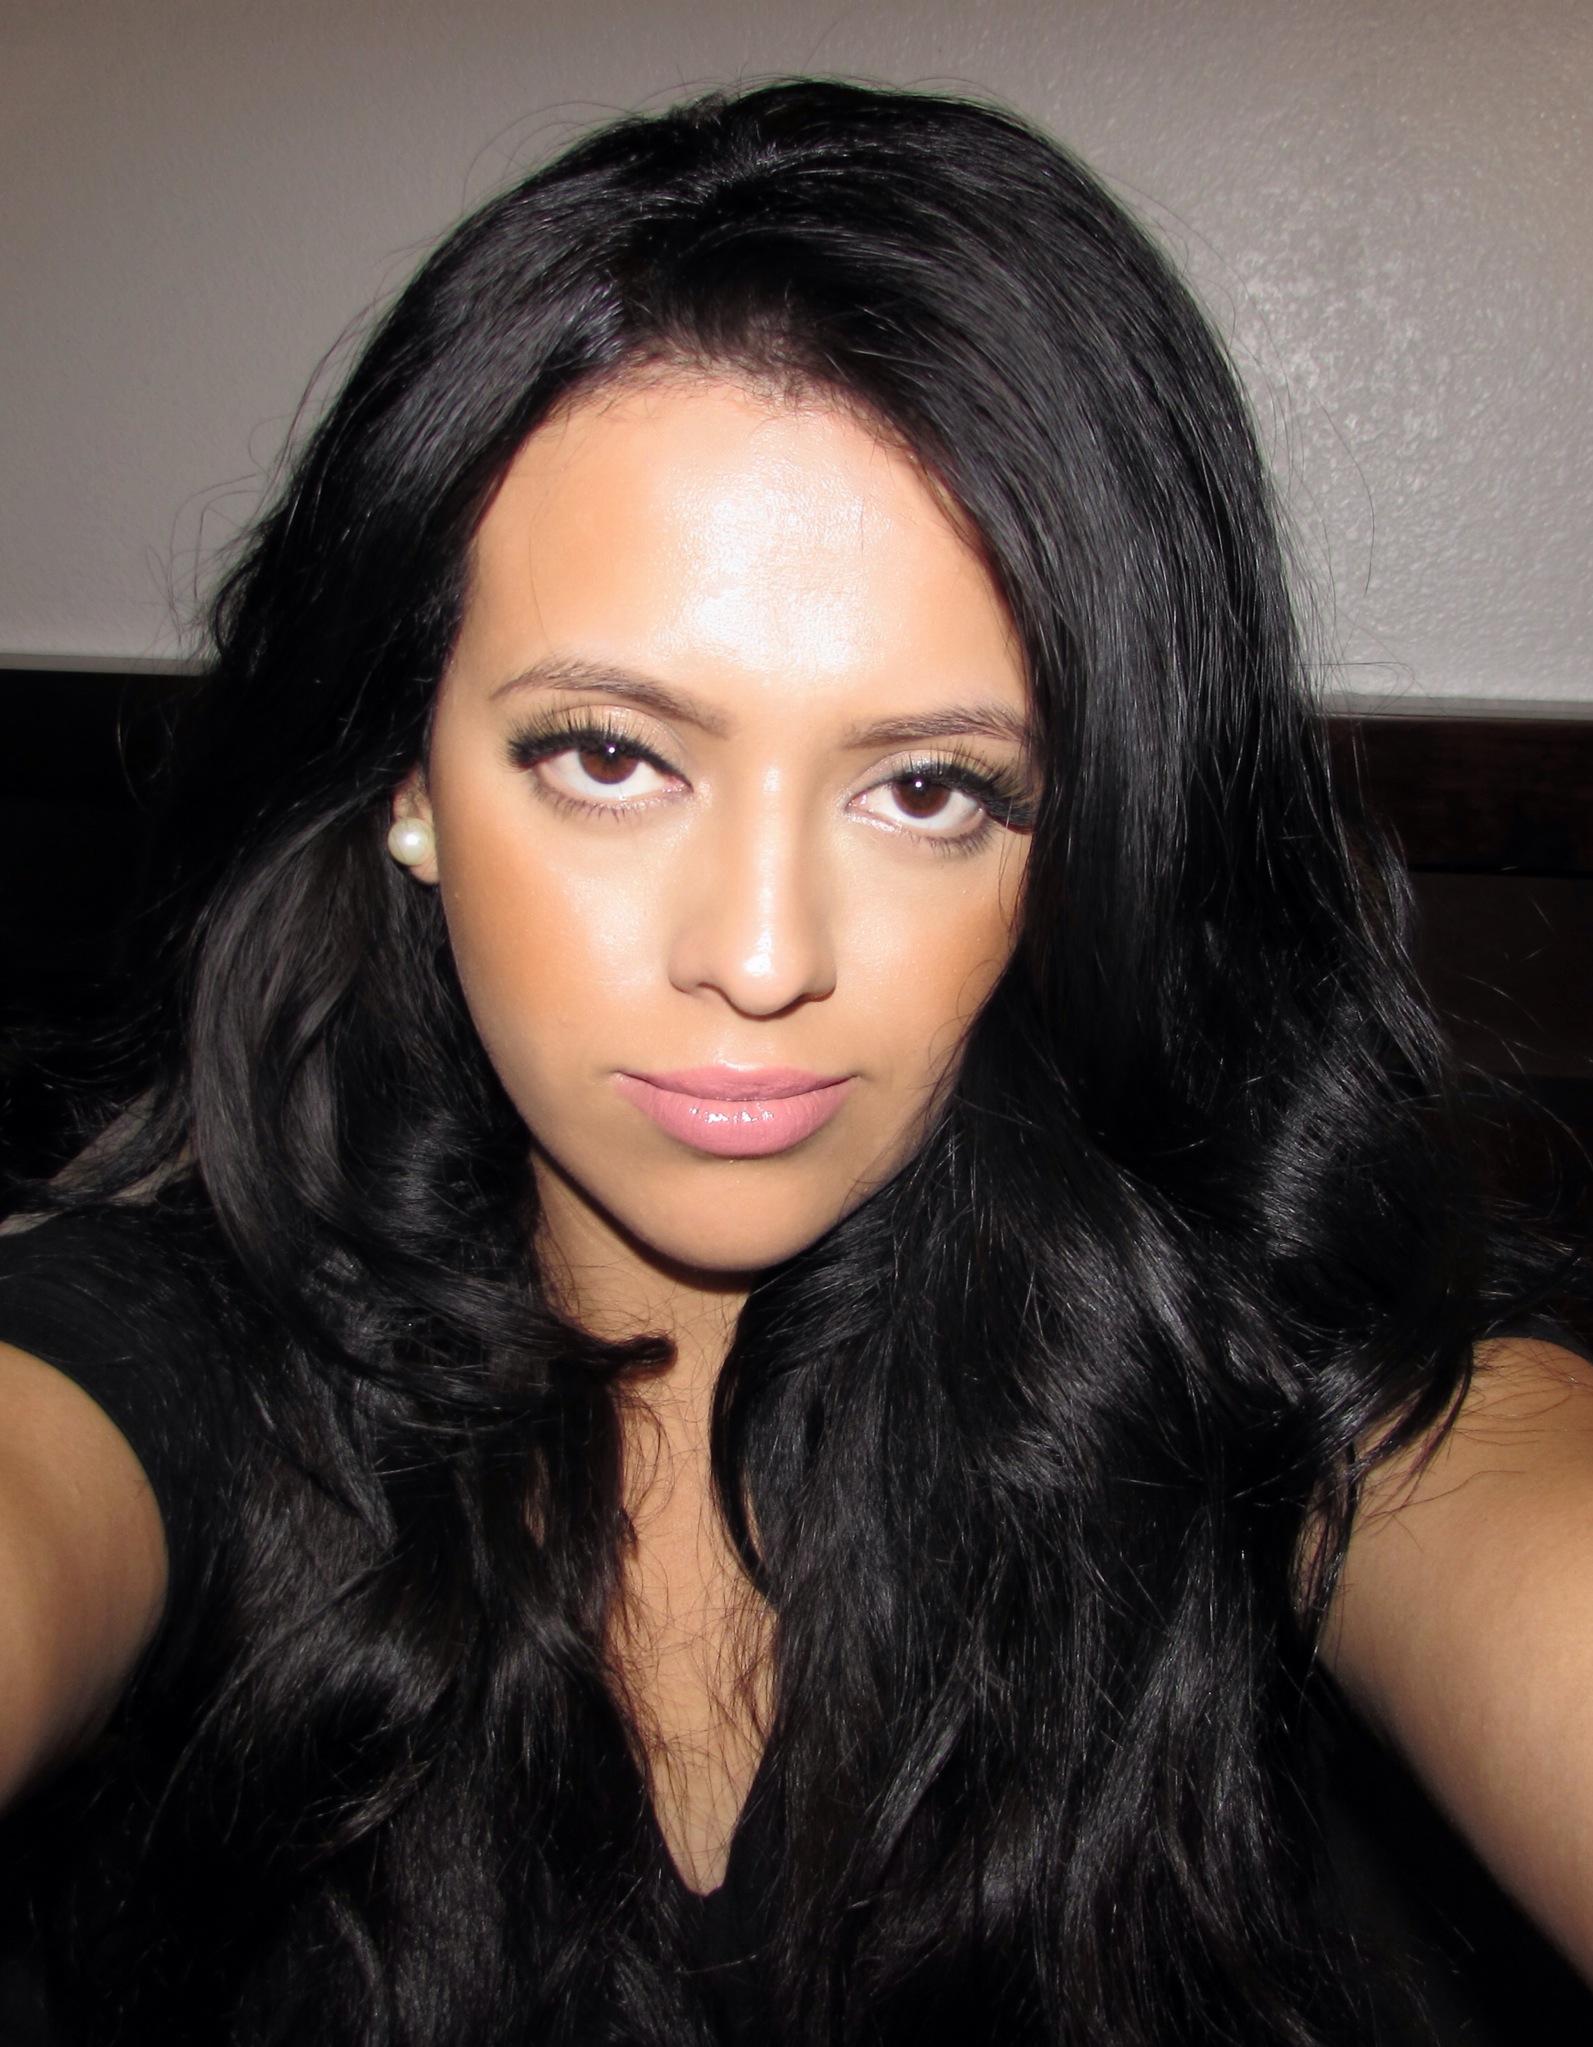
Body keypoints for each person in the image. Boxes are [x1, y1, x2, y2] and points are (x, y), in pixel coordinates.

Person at [0, 78, 1586, 2047]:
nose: (759, 959)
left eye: (926, 788)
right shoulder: (165, 1353)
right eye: (609, 755)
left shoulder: (1264, 1371)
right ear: (406, 774)